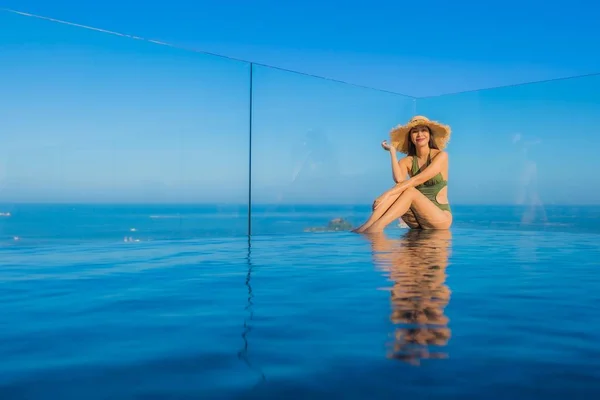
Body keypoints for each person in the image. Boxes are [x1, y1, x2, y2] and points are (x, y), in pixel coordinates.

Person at [353, 116, 453, 233]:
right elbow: (399, 180)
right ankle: (367, 226)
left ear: (430, 135)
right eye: (415, 132)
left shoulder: (441, 156)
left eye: (423, 130)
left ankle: (377, 227)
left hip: (440, 218)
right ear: (410, 137)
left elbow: (418, 180)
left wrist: (386, 194)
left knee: (409, 190)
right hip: (417, 219)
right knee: (401, 188)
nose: (420, 134)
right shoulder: (408, 161)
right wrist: (392, 152)